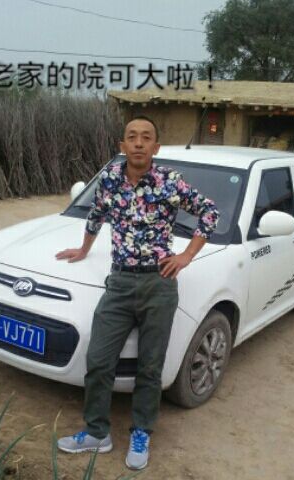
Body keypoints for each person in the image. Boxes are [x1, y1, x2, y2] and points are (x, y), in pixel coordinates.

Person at [54, 116, 220, 470]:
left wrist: (186, 256)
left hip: (158, 284)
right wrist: (83, 248)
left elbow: (209, 212)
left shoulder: (169, 181)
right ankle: (97, 433)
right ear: (122, 145)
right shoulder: (109, 179)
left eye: (146, 138)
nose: (139, 143)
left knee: (149, 366)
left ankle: (141, 432)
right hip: (119, 283)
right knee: (99, 360)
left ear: (155, 147)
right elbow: (97, 214)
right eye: (132, 137)